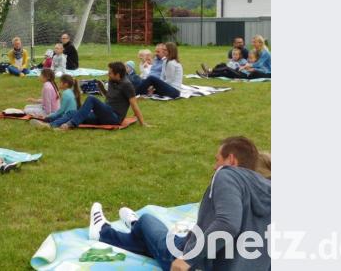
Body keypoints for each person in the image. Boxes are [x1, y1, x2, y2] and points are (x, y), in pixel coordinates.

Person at [87, 136, 271, 271]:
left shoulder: (227, 174)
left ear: (231, 160)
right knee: (152, 235)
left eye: (217, 160)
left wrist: (187, 259)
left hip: (193, 258)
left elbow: (228, 224)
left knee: (147, 222)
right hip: (201, 246)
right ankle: (136, 230)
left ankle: (104, 232)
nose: (215, 167)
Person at [41, 62, 147, 129]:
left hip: (114, 118)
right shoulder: (112, 81)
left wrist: (142, 123)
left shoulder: (127, 85)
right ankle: (49, 123)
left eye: (110, 73)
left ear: (118, 74)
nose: (108, 74)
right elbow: (110, 98)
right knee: (75, 113)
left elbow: (134, 104)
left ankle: (70, 125)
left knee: (91, 99)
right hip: (104, 114)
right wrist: (101, 88)